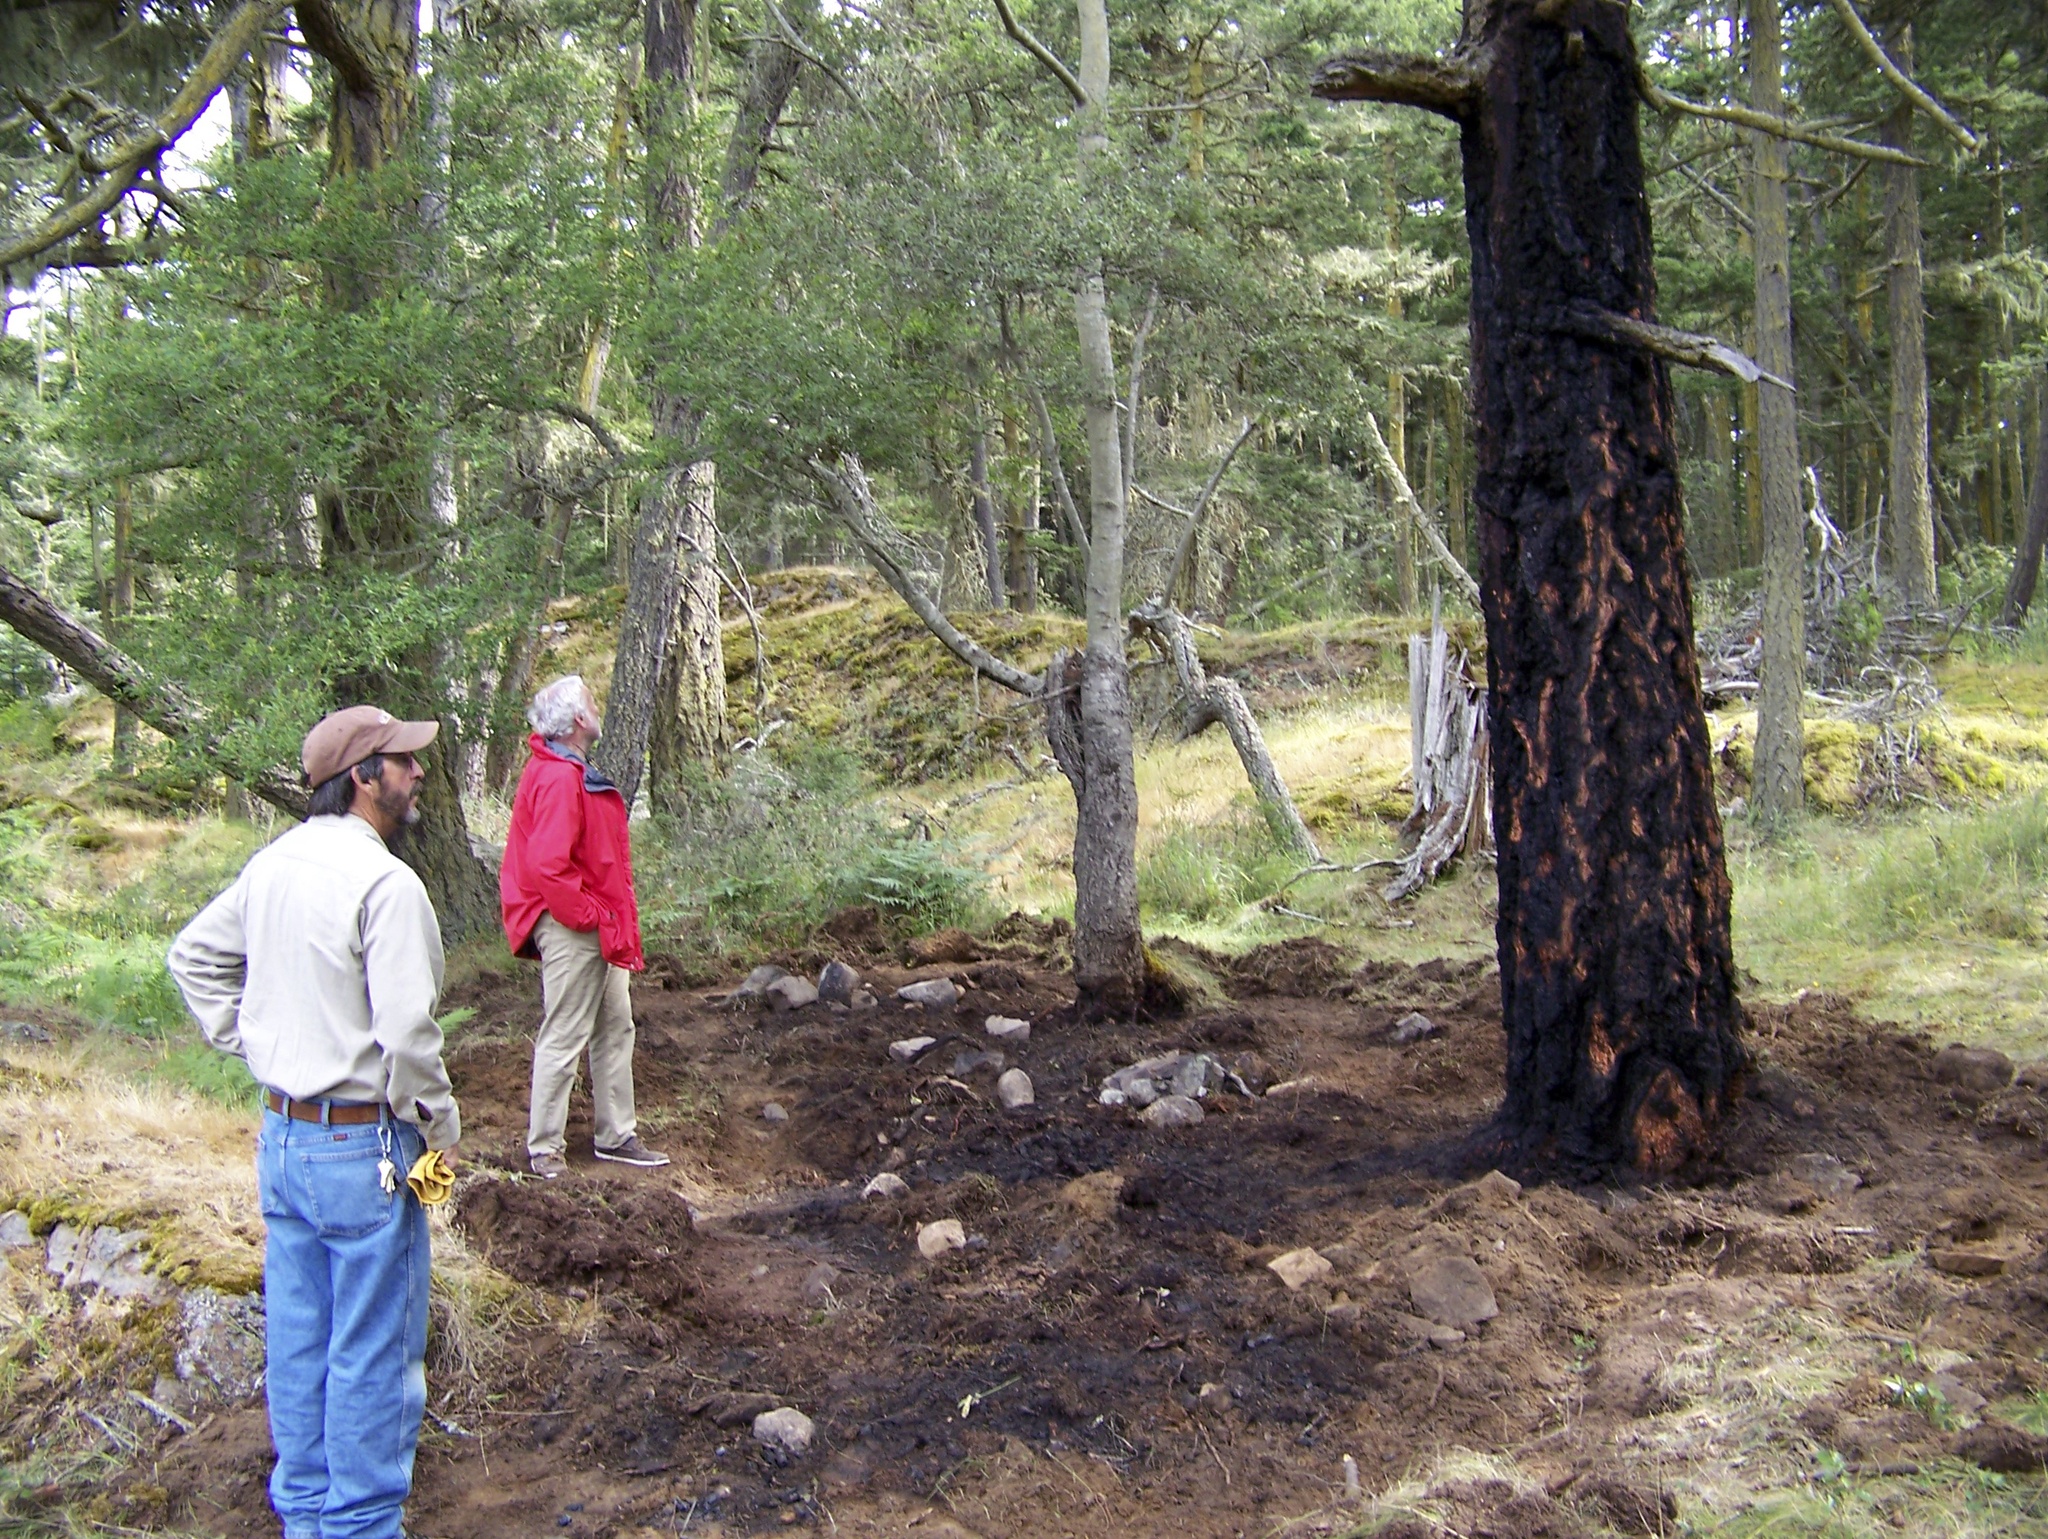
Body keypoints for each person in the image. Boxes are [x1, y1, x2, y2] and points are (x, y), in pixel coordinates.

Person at [166, 705, 460, 1539]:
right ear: (364, 777)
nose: (419, 774)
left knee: (301, 1336)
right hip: (366, 1146)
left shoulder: (273, 864)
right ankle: (361, 1525)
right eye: (404, 762)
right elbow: (408, 1038)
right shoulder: (387, 884)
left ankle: (305, 1514)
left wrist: (250, 1037)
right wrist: (441, 1133)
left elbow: (191, 954)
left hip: (283, 1142)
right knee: (375, 1343)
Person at [500, 675, 668, 1177]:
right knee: (566, 1031)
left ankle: (616, 1135)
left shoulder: (564, 768)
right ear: (577, 719)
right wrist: (590, 917)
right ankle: (545, 1148)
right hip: (575, 923)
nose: (597, 708)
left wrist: (603, 919)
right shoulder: (556, 776)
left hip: (595, 921)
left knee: (615, 1026)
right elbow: (549, 865)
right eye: (591, 703)